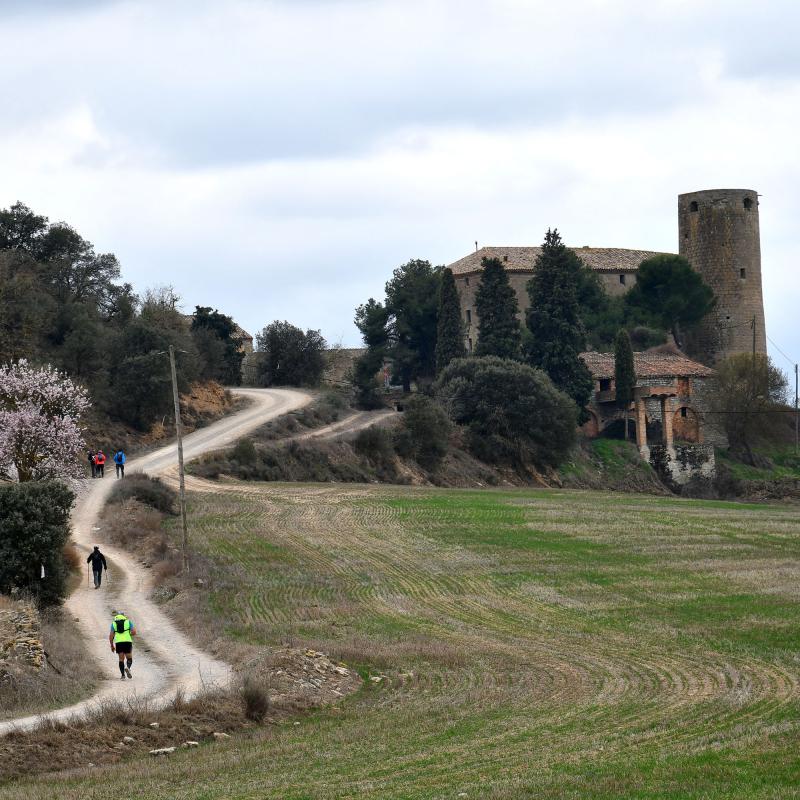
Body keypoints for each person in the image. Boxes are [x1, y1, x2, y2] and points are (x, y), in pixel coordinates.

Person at [109, 610, 136, 679]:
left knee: (121, 659)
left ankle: (123, 675)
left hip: (118, 642)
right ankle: (128, 667)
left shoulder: (114, 623)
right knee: (129, 657)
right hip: (127, 641)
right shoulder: (128, 622)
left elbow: (111, 635)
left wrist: (112, 645)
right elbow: (134, 632)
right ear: (123, 616)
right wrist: (128, 634)